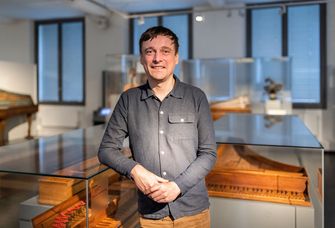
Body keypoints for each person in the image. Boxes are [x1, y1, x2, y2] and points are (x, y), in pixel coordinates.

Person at [98, 26, 216, 227]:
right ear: (142, 59)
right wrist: (135, 170)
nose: (157, 58)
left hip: (193, 212)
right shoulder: (129, 99)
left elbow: (208, 154)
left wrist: (177, 186)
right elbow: (106, 150)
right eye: (149, 51)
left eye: (165, 51)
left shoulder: (196, 97)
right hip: (152, 215)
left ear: (176, 57)